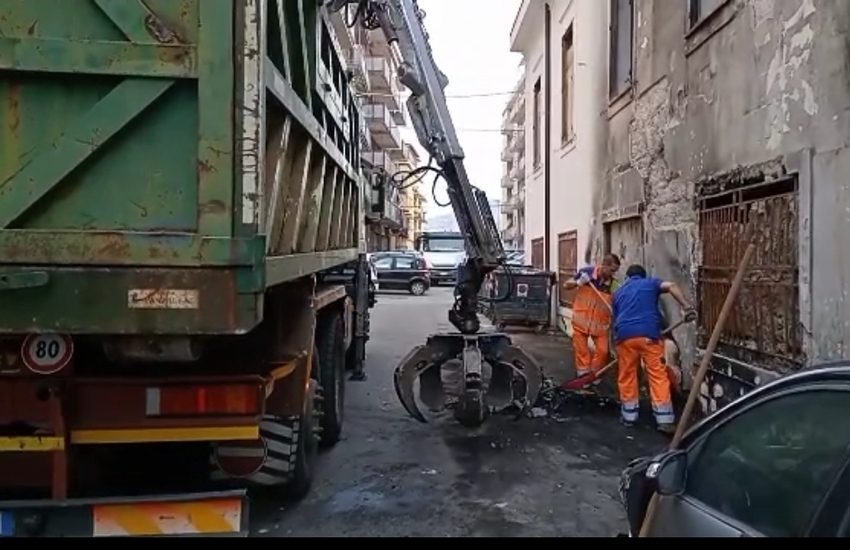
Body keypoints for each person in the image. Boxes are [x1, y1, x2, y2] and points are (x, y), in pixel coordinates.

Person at [612, 264, 695, 434]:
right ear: (643, 276)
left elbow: (615, 320)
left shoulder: (618, 293)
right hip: (649, 335)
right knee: (657, 374)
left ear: (627, 278)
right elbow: (671, 286)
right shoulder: (650, 283)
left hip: (625, 337)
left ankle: (629, 416)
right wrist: (687, 307)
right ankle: (664, 420)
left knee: (627, 375)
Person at [564, 254, 621, 380]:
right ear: (604, 265)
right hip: (581, 321)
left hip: (600, 325)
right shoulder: (586, 273)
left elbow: (618, 302)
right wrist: (578, 282)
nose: (613, 274)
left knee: (603, 351)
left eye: (615, 271)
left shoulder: (614, 284)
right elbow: (566, 285)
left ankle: (594, 374)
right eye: (612, 270)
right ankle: (583, 374)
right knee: (582, 351)